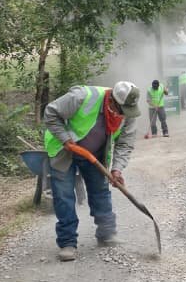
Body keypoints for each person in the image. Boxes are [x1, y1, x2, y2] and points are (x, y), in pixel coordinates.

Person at [43, 81, 141, 262]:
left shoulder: (128, 112)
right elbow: (50, 112)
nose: (123, 115)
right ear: (112, 101)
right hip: (64, 149)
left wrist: (117, 169)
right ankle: (67, 243)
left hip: (94, 153)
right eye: (121, 110)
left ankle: (106, 234)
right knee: (64, 195)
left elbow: (125, 143)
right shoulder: (82, 97)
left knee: (100, 191)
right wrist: (64, 138)